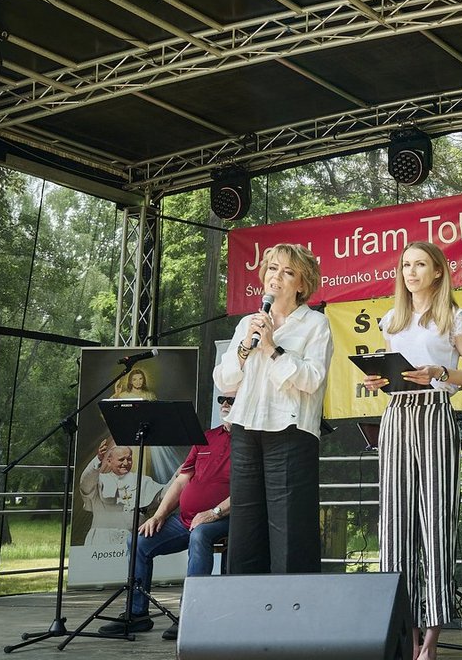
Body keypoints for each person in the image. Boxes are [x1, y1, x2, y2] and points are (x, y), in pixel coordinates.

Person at [365, 241, 462, 660]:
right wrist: (377, 380)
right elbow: (391, 371)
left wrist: (440, 371)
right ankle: (406, 633)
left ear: (437, 271)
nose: (411, 272)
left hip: (435, 412)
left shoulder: (452, 316)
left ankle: (431, 636)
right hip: (397, 414)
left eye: (420, 264)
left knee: (436, 522)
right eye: (405, 265)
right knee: (395, 525)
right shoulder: (392, 319)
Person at [211, 243, 332, 575]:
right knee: (245, 526)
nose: (277, 276)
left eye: (288, 272)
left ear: (302, 285)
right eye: (273, 268)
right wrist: (244, 349)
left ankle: (292, 602)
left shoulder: (315, 325)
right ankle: (246, 600)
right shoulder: (248, 323)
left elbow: (312, 380)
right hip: (246, 429)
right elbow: (224, 380)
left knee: (289, 528)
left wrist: (272, 348)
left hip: (290, 432)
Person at [100, 395, 235, 639]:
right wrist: (159, 514)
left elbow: (247, 490)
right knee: (138, 541)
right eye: (221, 399)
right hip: (185, 520)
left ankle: (191, 615)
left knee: (200, 535)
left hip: (223, 519)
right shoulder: (206, 437)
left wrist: (213, 513)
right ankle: (137, 614)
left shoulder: (252, 442)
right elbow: (182, 480)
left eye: (231, 400)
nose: (224, 404)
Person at [78, 441, 165, 554]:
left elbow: (163, 495)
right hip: (102, 539)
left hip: (134, 538)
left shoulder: (143, 481)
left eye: (129, 459)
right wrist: (98, 460)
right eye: (121, 459)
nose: (126, 463)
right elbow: (85, 483)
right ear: (109, 461)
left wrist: (179, 476)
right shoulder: (99, 480)